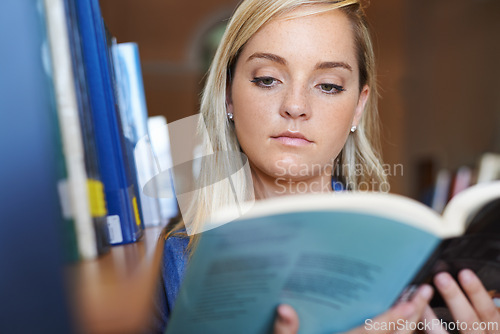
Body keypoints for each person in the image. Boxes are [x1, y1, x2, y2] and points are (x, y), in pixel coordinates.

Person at [149, 0, 500, 333]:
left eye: (329, 85)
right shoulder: (175, 259)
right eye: (268, 79)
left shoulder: (403, 257)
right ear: (228, 95)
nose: (296, 106)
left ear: (358, 108)